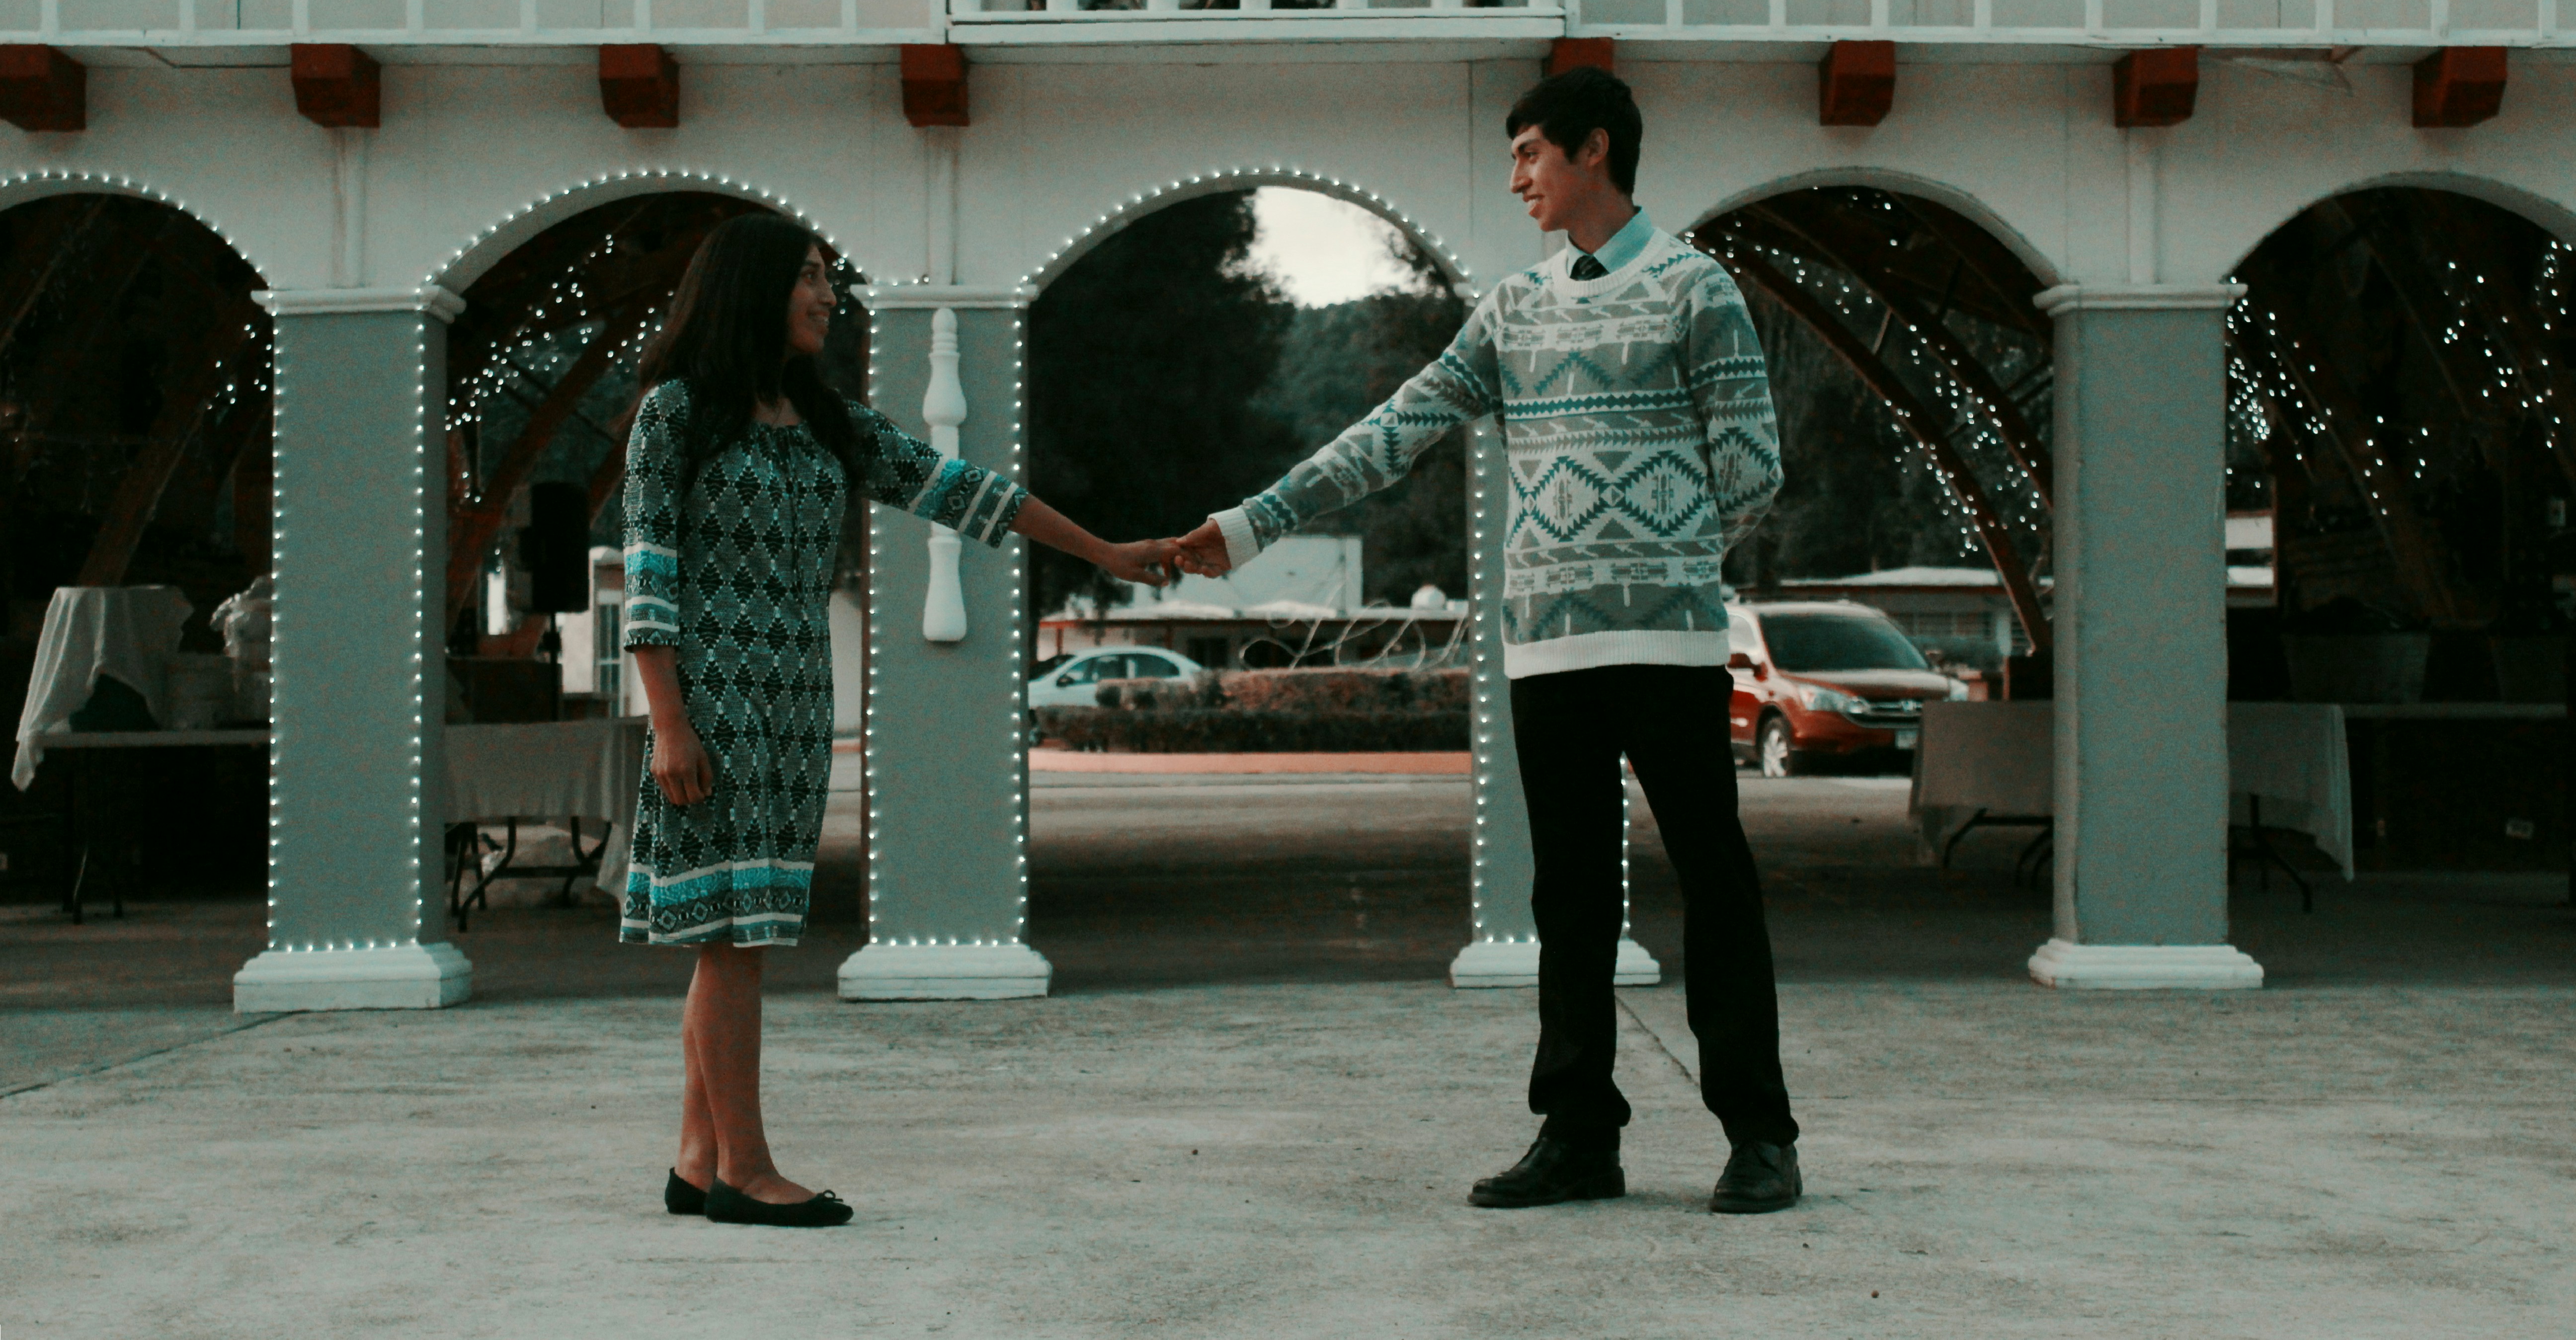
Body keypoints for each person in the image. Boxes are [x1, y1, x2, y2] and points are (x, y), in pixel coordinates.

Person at [1175, 67, 1801, 1214]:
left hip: (1667, 646)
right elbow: (1398, 428)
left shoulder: (1695, 290)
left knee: (1715, 880)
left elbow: (1755, 468)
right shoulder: (1515, 308)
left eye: (1528, 154)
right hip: (1547, 652)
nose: (1514, 176)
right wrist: (1250, 525)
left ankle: (1761, 1136)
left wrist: (1658, 556)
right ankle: (1579, 1136)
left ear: (1593, 150)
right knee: (1569, 893)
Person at [621, 213, 1176, 1228]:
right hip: (708, 705)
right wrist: (668, 722)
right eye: (810, 277)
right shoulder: (679, 412)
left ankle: (699, 1158)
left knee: (739, 933)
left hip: (793, 708)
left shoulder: (829, 420)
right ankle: (745, 1167)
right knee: (729, 939)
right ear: (751, 286)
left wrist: (1105, 552)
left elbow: (961, 490)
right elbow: (651, 576)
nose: (830, 296)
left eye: (832, 278)